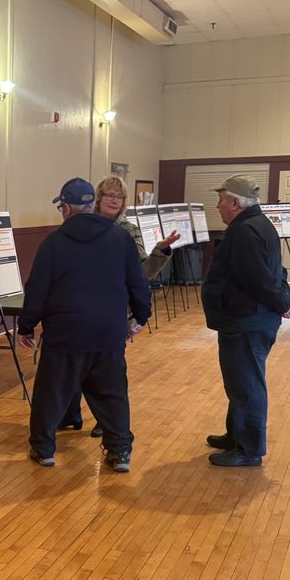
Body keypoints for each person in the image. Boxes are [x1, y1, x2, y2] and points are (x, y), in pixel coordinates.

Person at [18, 177, 152, 472]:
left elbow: (37, 289)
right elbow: (138, 283)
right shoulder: (121, 239)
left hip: (65, 334)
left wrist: (26, 326)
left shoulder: (53, 243)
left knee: (51, 394)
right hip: (108, 333)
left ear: (66, 208)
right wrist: (141, 316)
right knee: (113, 395)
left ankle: (43, 449)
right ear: (93, 204)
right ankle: (120, 452)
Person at [58, 175, 178, 434]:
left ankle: (107, 421)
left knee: (107, 370)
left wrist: (160, 251)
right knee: (73, 361)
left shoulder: (128, 231)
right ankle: (69, 414)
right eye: (109, 195)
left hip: (112, 308)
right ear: (98, 198)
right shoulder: (81, 224)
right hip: (79, 305)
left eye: (119, 196)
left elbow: (142, 273)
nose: (114, 200)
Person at [201, 175, 290, 467]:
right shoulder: (257, 224)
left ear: (235, 203)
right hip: (248, 320)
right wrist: (283, 300)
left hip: (246, 321)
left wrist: (283, 304)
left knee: (246, 386)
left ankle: (248, 449)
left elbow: (258, 279)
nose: (217, 206)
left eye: (221, 200)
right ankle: (236, 435)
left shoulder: (246, 230)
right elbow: (275, 271)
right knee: (239, 382)